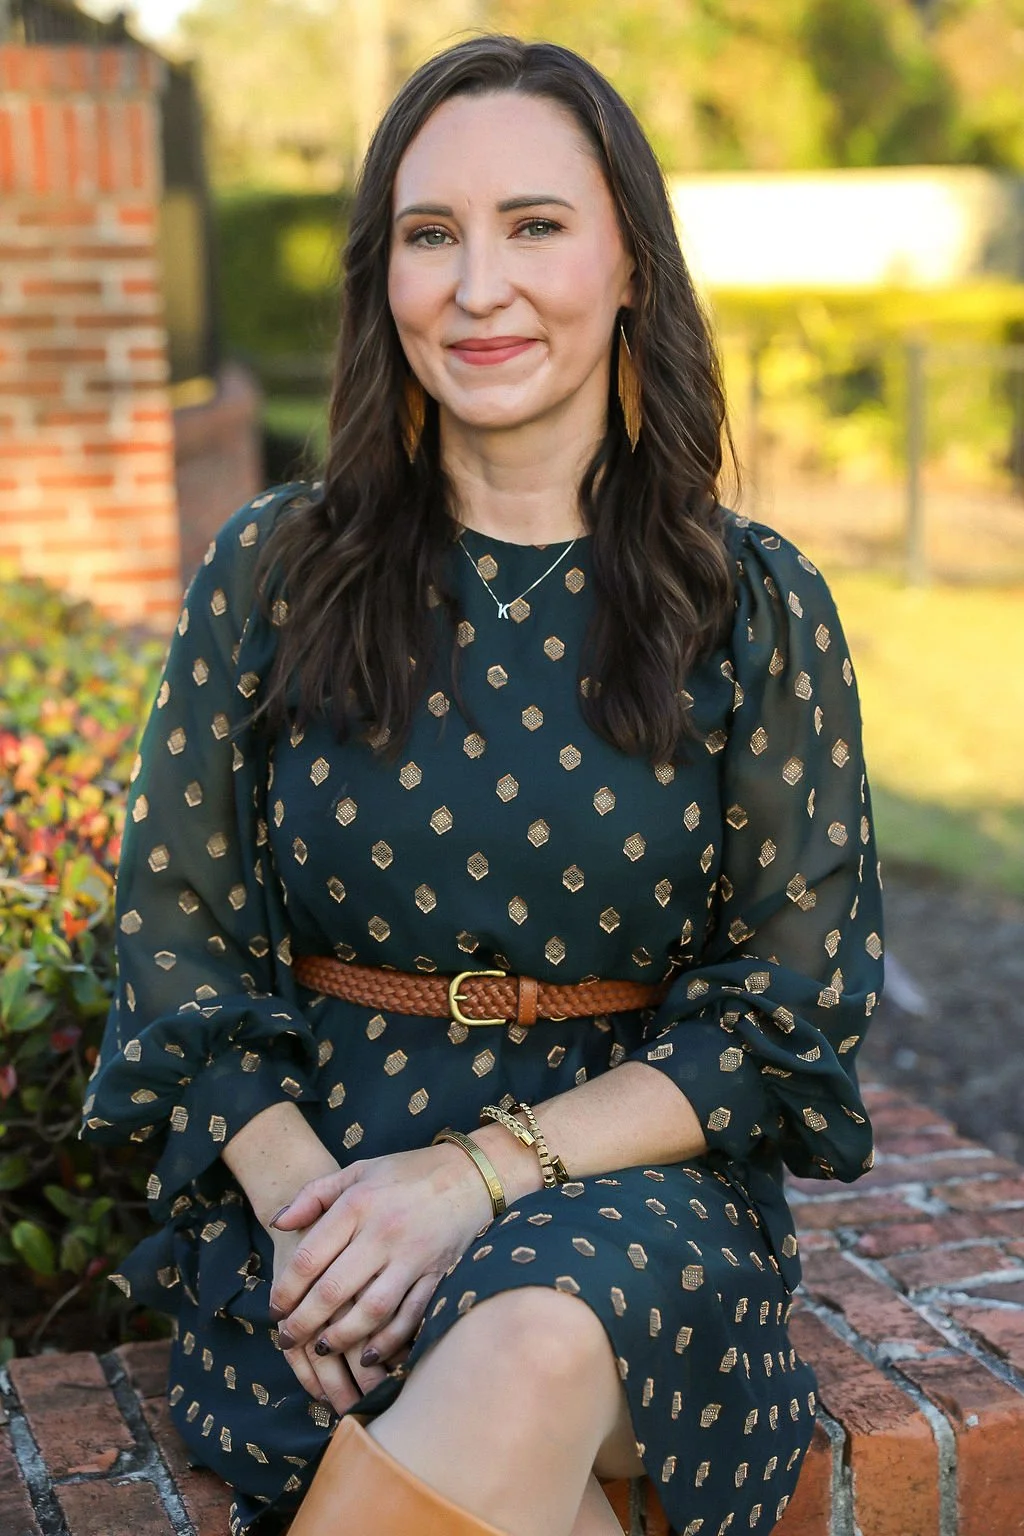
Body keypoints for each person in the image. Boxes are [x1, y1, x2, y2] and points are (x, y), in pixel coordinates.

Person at [79, 33, 884, 1536]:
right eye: (429, 234)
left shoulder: (754, 607)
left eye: (535, 225)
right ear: (382, 276)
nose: (476, 285)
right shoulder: (272, 570)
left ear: (633, 263)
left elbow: (785, 1019)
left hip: (635, 1204)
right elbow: (176, 946)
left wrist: (466, 1184)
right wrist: (325, 1220)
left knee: (526, 1344)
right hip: (316, 1200)